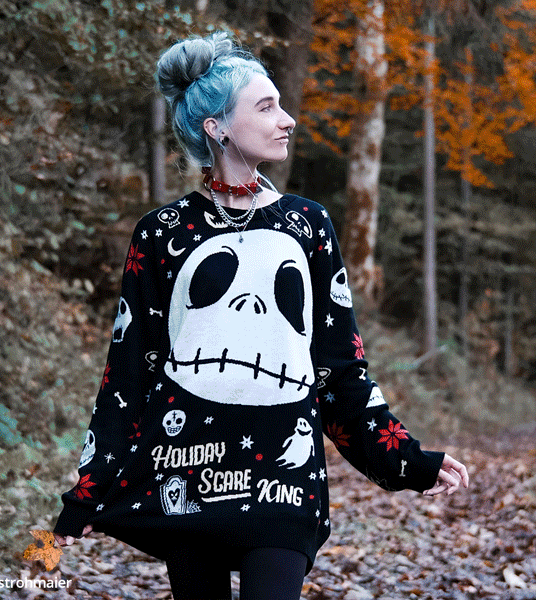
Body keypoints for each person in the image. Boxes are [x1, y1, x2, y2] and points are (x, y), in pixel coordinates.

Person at [53, 31, 469, 600]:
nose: (288, 120)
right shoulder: (161, 233)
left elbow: (337, 370)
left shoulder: (309, 225)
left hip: (284, 486)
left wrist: (405, 459)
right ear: (217, 127)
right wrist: (89, 489)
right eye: (267, 107)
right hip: (185, 479)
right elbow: (129, 374)